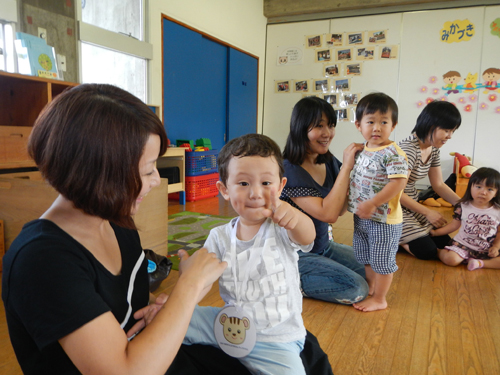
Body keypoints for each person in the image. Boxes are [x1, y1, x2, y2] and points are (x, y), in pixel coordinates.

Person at [1, 83, 228, 374]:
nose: (157, 180)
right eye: (147, 171)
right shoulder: (42, 260)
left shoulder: (116, 220)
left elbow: (125, 308)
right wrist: (189, 287)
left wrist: (163, 313)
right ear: (101, 176)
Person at [182, 134, 316, 375]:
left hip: (277, 339)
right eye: (243, 184)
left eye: (266, 183)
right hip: (229, 326)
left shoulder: (281, 227)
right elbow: (204, 278)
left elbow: (307, 237)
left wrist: (296, 218)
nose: (255, 193)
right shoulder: (219, 236)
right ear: (224, 189)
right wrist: (188, 281)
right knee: (174, 318)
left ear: (281, 186)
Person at [280, 96, 369, 305]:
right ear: (301, 128)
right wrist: (347, 167)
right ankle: (286, 281)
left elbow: (339, 210)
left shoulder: (328, 160)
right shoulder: (289, 169)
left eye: (330, 125)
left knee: (374, 269)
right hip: (295, 255)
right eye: (319, 126)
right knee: (357, 288)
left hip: (323, 246)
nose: (327, 133)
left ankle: (318, 270)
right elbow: (328, 214)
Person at [347, 93, 408, 312]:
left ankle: (380, 298)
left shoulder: (393, 153)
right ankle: (371, 289)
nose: (376, 128)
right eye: (370, 122)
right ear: (358, 125)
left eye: (384, 122)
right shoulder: (363, 150)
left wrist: (373, 202)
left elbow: (398, 182)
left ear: (393, 125)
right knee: (364, 255)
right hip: (362, 217)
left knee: (382, 261)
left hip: (384, 220)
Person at [398, 100, 462, 260]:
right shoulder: (408, 150)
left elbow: (439, 184)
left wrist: (464, 205)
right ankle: (390, 239)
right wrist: (427, 212)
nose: (450, 136)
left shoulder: (433, 149)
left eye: (452, 131)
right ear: (429, 125)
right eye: (447, 130)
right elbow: (396, 193)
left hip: (410, 203)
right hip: (391, 206)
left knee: (444, 241)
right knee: (427, 250)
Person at [430, 167, 500, 271]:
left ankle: (479, 263)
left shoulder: (497, 210)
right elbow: (454, 225)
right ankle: (439, 252)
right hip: (463, 246)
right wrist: (436, 233)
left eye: (490, 189)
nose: (483, 192)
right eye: (478, 187)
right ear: (470, 187)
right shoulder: (463, 206)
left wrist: (496, 247)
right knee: (451, 260)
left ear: (496, 192)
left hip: (487, 249)